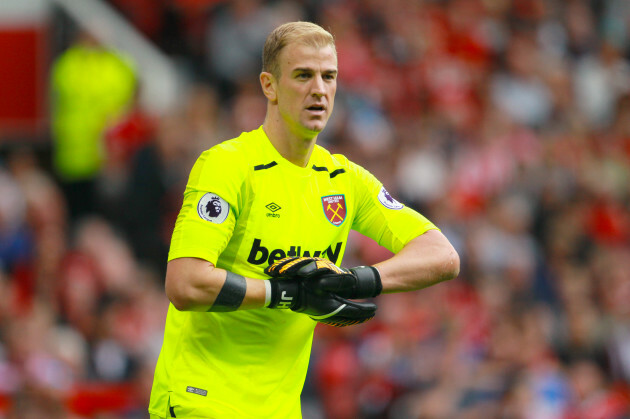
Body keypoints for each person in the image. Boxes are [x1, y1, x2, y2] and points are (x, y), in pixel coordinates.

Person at [148, 21, 460, 419]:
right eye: (303, 76)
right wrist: (286, 294)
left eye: (329, 76)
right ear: (269, 86)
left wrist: (354, 280)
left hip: (279, 410)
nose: (319, 89)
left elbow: (443, 255)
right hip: (200, 399)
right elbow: (185, 283)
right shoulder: (228, 166)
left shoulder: (344, 180)